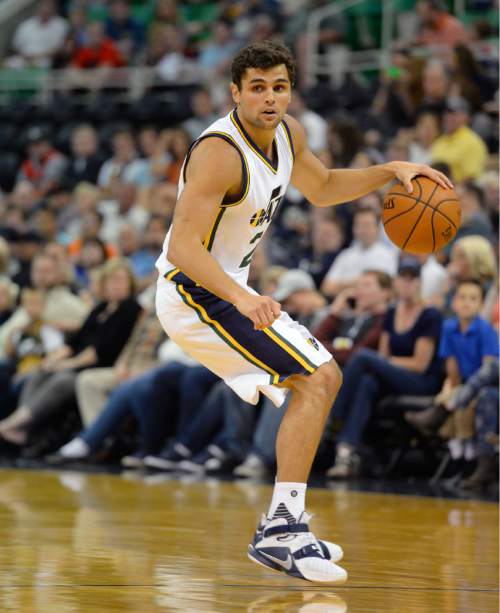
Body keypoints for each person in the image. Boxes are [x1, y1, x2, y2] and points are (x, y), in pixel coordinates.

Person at [154, 41, 450, 584]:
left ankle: (283, 523)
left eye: (280, 87)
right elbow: (183, 248)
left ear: (291, 91)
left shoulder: (289, 134)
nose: (270, 98)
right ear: (236, 92)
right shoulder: (219, 151)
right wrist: (244, 297)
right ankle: (282, 530)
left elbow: (324, 187)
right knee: (317, 378)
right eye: (259, 87)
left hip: (226, 290)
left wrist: (389, 170)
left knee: (319, 379)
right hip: (193, 292)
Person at [325, 257, 443, 479]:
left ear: (420, 283)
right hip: (393, 375)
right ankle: (345, 451)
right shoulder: (392, 313)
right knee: (367, 383)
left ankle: (333, 416)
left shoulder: (430, 315)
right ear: (396, 282)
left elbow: (419, 364)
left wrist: (383, 363)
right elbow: (384, 355)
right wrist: (383, 362)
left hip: (421, 381)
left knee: (362, 357)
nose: (407, 283)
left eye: (412, 278)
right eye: (403, 278)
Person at [404, 279, 499, 440]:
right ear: (453, 302)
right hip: (462, 383)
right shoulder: (448, 327)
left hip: (481, 385)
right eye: (462, 297)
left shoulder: (486, 330)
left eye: (473, 299)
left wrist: (465, 389)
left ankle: (456, 437)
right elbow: (452, 368)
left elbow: (488, 368)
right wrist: (453, 387)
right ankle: (448, 442)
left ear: (482, 305)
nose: (466, 303)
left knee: (467, 402)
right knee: (448, 392)